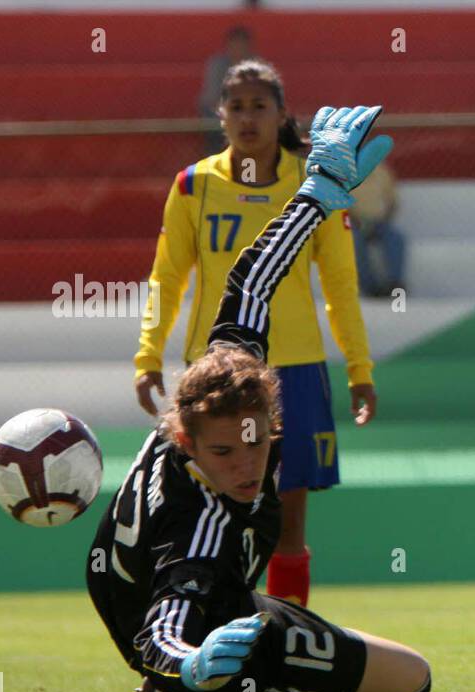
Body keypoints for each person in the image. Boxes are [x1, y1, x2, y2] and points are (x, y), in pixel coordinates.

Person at [91, 106, 429, 692]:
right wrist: (187, 663)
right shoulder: (196, 534)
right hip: (172, 618)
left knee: (411, 676)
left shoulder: (228, 375)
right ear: (184, 440)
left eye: (258, 441)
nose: (247, 464)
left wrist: (316, 194)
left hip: (203, 593)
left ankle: (196, 688)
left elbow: (251, 279)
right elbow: (159, 624)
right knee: (398, 682)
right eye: (224, 452)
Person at [136, 60, 378, 611]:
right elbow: (166, 277)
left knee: (286, 531)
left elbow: (341, 284)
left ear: (281, 114)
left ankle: (279, 648)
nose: (247, 117)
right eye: (236, 106)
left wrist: (358, 368)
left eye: (259, 105)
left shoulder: (314, 185)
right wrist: (148, 352)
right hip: (214, 375)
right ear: (220, 115)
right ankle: (206, 634)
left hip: (292, 374)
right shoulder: (194, 185)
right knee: (208, 520)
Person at [350, 161, 407, 297]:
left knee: (396, 238)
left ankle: (394, 282)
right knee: (355, 243)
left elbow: (392, 202)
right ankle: (370, 287)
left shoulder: (382, 171)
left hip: (378, 222)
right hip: (353, 222)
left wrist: (384, 219)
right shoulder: (344, 171)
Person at [197, 26, 254, 153]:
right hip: (221, 114)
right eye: (235, 44)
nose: (238, 49)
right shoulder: (217, 65)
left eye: (242, 45)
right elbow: (211, 97)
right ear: (228, 46)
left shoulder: (257, 66)